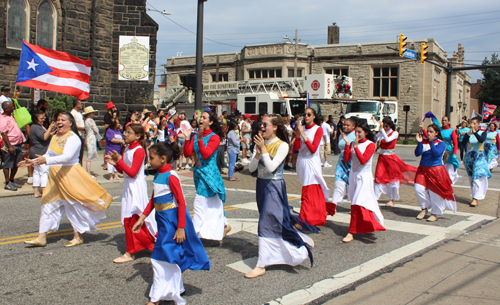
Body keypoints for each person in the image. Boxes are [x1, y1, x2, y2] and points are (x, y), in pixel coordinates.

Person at [133, 141, 210, 305]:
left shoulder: (171, 176)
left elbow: (181, 203)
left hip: (171, 222)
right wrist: (142, 218)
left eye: (151, 158)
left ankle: (156, 298)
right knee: (167, 256)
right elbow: (154, 199)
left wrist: (181, 227)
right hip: (162, 221)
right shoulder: (158, 174)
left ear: (162, 158)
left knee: (159, 257)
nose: (148, 161)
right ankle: (175, 289)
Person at [22, 111, 112, 247]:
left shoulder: (73, 138)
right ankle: (41, 237)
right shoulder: (54, 137)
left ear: (70, 123)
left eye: (63, 120)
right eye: (58, 119)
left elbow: (66, 157)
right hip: (55, 177)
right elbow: (47, 154)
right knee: (47, 204)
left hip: (69, 176)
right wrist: (33, 161)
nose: (59, 122)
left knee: (73, 206)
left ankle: (77, 236)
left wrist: (45, 160)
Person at [245, 114, 313, 278]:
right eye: (261, 124)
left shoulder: (282, 145)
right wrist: (257, 153)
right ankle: (292, 247)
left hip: (274, 186)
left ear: (275, 127)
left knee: (265, 222)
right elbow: (252, 169)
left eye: (265, 124)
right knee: (271, 220)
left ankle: (261, 264)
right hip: (261, 185)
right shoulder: (260, 144)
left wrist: (263, 150)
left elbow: (271, 167)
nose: (262, 127)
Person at [105, 123, 157, 263]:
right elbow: (124, 171)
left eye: (128, 132)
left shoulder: (139, 150)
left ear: (138, 136)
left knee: (132, 217)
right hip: (129, 186)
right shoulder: (127, 148)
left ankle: (130, 252)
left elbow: (133, 173)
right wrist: (115, 163)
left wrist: (119, 162)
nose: (125, 135)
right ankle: (148, 244)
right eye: (125, 132)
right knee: (132, 217)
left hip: (136, 187)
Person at [182, 111, 231, 240]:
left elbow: (206, 154)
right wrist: (188, 137)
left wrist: (198, 138)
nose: (201, 119)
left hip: (209, 174)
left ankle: (193, 234)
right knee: (212, 201)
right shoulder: (195, 135)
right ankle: (224, 224)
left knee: (200, 202)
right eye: (200, 117)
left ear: (210, 122)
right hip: (198, 173)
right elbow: (187, 154)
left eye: (204, 117)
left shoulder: (214, 137)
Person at [342, 121, 385, 243]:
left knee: (357, 203)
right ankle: (364, 226)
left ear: (366, 133)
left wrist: (355, 147)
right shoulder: (352, 143)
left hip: (364, 177)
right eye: (355, 132)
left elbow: (363, 160)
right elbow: (346, 159)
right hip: (353, 176)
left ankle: (351, 231)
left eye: (359, 132)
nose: (356, 134)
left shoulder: (370, 145)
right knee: (356, 203)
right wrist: (347, 145)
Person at [294, 108, 335, 232]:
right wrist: (297, 134)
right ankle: (314, 216)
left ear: (313, 116)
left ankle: (303, 220)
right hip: (302, 162)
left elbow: (313, 149)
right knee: (310, 190)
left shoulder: (318, 129)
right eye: (304, 114)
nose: (306, 116)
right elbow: (296, 148)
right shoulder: (301, 129)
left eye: (308, 114)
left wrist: (303, 135)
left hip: (312, 161)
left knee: (308, 191)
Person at [414, 124, 456, 221]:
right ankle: (424, 208)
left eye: (431, 132)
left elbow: (435, 153)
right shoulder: (423, 142)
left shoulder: (441, 143)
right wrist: (419, 143)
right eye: (428, 131)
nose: (428, 133)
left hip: (436, 170)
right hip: (422, 169)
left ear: (436, 133)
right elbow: (417, 154)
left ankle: (435, 213)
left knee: (435, 193)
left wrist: (431, 142)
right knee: (418, 188)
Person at [374, 117, 417, 207]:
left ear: (390, 126)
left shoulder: (395, 133)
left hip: (390, 158)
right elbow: (374, 139)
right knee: (378, 177)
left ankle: (392, 199)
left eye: (387, 126)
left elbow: (387, 140)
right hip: (382, 158)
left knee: (393, 179)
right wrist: (379, 132)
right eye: (384, 126)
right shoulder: (382, 132)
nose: (385, 128)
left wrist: (382, 131)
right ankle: (375, 198)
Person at [421, 115, 460, 184]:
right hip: (439, 149)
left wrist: (455, 153)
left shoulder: (451, 131)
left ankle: (449, 182)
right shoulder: (439, 130)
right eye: (443, 120)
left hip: (448, 151)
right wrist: (423, 129)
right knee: (440, 166)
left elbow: (455, 143)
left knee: (449, 168)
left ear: (448, 122)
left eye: (445, 120)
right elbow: (429, 136)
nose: (444, 122)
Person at [462, 117, 491, 207]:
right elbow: (463, 143)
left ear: (478, 124)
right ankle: (474, 195)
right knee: (471, 178)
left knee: (477, 177)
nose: (473, 125)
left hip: (479, 157)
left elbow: (481, 140)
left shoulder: (483, 133)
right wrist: (469, 134)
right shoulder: (468, 134)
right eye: (471, 123)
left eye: (475, 123)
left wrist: (475, 132)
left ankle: (476, 198)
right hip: (470, 157)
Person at [29, 110, 56, 197]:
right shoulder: (36, 127)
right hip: (40, 152)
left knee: (37, 172)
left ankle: (36, 191)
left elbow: (45, 135)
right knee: (44, 172)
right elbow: (44, 137)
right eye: (41, 118)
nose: (43, 119)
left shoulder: (36, 126)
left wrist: (51, 132)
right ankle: (44, 191)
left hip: (35, 151)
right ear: (36, 119)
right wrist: (50, 128)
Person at [0, 101, 26, 191]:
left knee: (16, 163)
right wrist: (9, 146)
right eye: (11, 107)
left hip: (18, 143)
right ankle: (7, 183)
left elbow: (16, 108)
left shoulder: (10, 115)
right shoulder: (3, 119)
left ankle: (12, 180)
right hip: (10, 145)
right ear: (6, 109)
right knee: (8, 164)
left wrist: (14, 100)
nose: (13, 108)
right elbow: (4, 134)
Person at [332, 117, 357, 205]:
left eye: (348, 125)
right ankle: (333, 205)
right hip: (342, 162)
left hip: (352, 162)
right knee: (338, 183)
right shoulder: (341, 135)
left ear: (353, 126)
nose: (345, 127)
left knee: (352, 186)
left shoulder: (356, 135)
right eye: (344, 125)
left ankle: (354, 206)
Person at [83, 106, 100, 179]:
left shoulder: (86, 120)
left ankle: (88, 172)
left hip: (88, 137)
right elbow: (96, 129)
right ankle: (88, 173)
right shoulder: (90, 120)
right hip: (91, 137)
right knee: (89, 157)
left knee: (89, 156)